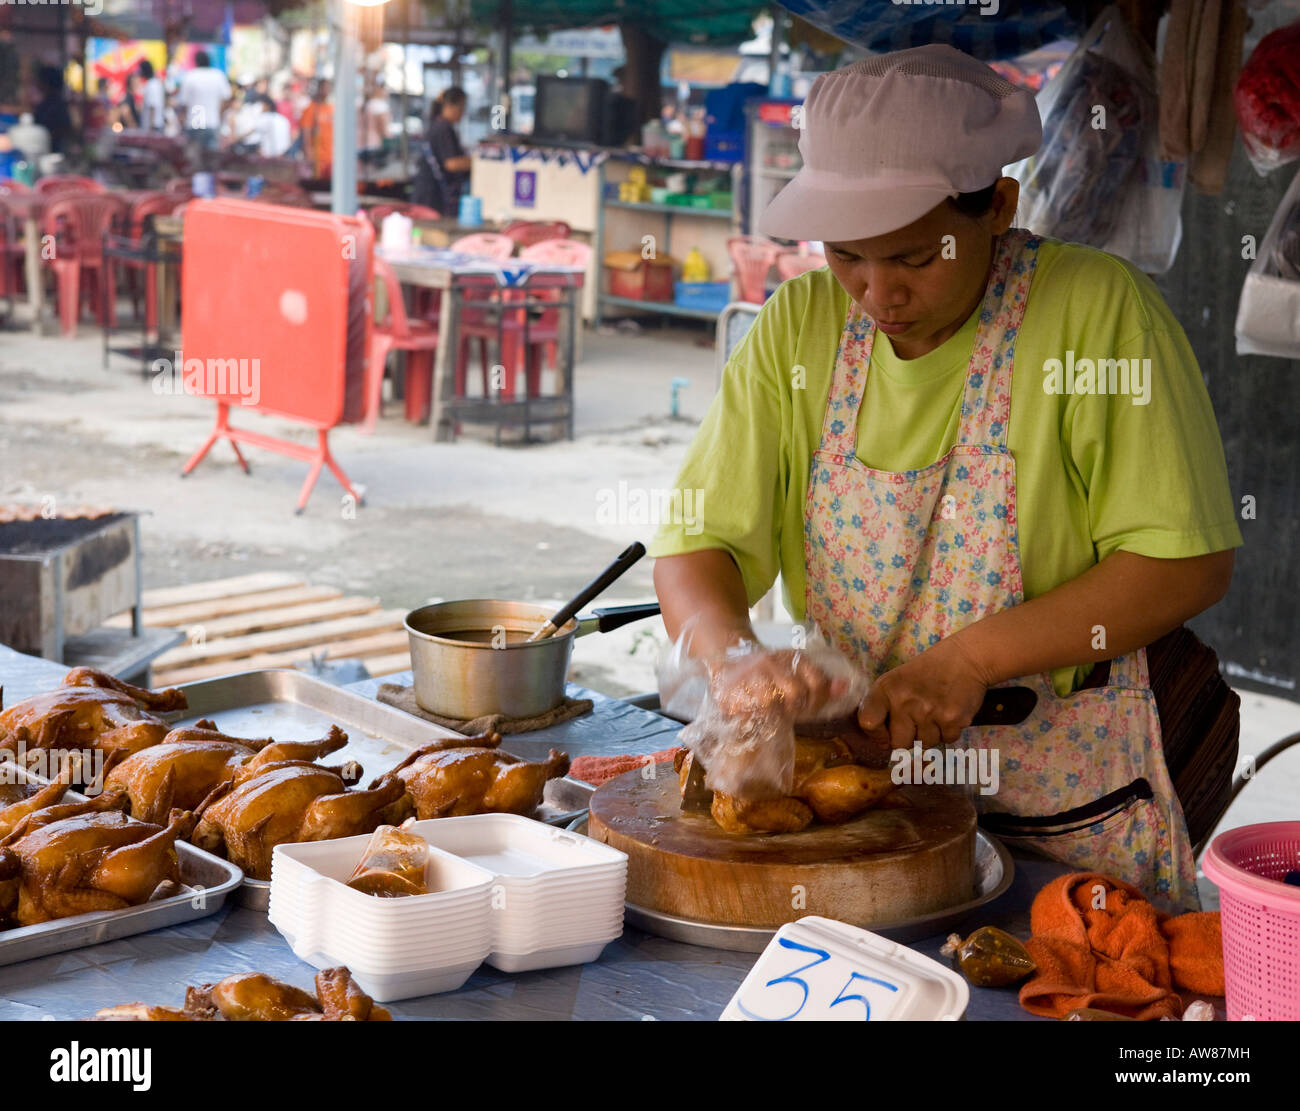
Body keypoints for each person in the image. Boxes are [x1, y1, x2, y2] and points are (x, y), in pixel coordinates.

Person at [649, 46, 1242, 914]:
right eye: (848, 254)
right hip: (861, 809)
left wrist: (970, 659)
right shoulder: (798, 330)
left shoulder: (1094, 313)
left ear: (998, 205)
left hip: (1067, 818)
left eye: (918, 257)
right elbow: (699, 539)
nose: (877, 292)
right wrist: (731, 658)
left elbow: (1185, 561)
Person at [423, 86, 470, 215]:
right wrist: (478, 161)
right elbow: (451, 164)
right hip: (433, 196)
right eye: (462, 107)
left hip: (432, 194)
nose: (463, 112)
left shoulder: (440, 125)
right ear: (450, 105)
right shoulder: (443, 128)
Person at [176, 50, 231, 152]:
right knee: (212, 157)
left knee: (196, 157)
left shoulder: (190, 76)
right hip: (213, 122)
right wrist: (219, 115)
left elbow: (183, 103)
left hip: (195, 121)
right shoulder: (218, 76)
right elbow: (227, 99)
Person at [32, 66, 72, 154]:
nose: (37, 83)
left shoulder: (52, 105)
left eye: (40, 80)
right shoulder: (55, 103)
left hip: (51, 153)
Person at [298, 79, 333, 179]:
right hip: (318, 159)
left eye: (328, 88)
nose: (326, 90)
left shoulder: (332, 108)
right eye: (324, 87)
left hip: (331, 158)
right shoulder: (310, 109)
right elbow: (306, 134)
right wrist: (309, 155)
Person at [360, 78, 391, 166]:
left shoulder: (367, 104)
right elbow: (384, 130)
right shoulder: (380, 106)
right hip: (375, 147)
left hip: (363, 146)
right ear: (380, 89)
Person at [139, 59, 166, 132]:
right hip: (157, 124)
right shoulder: (157, 83)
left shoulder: (151, 85)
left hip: (153, 127)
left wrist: (150, 128)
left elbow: (152, 106)